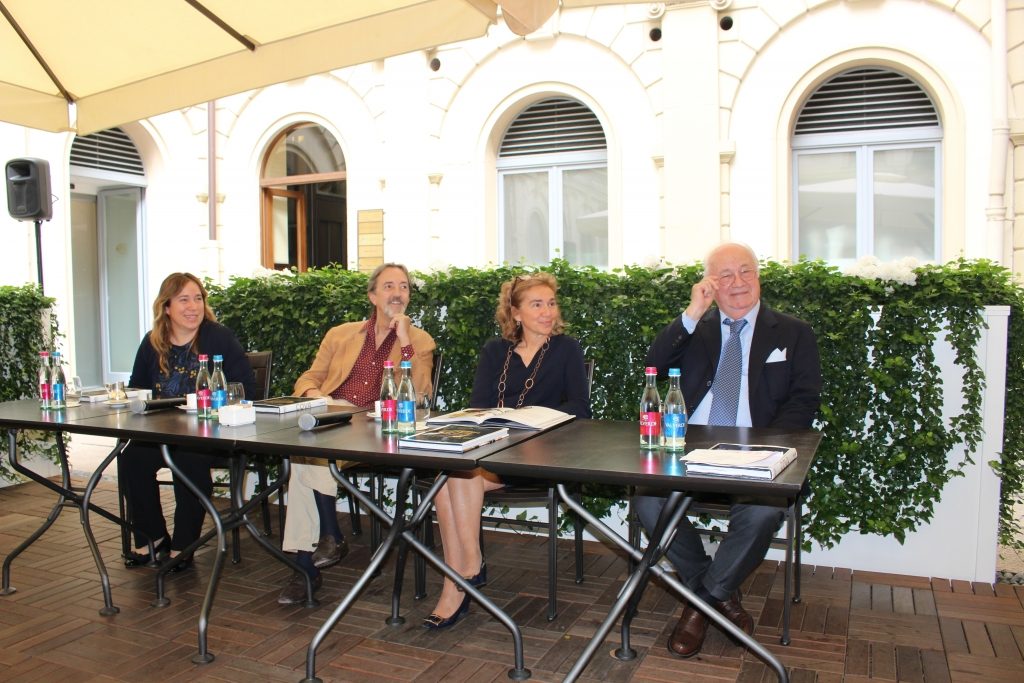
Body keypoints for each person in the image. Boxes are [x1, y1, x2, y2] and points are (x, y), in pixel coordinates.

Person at [637, 242, 821, 658]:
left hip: (757, 450)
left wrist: (767, 450)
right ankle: (718, 595)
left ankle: (698, 605)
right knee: (648, 501)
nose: (737, 283)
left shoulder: (792, 332)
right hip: (690, 446)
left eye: (746, 272)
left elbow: (804, 400)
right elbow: (655, 366)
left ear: (758, 277)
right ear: (709, 285)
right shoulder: (696, 328)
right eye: (725, 276)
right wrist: (692, 312)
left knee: (762, 512)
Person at [423, 272, 591, 629]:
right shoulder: (494, 351)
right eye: (536, 304)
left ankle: (463, 576)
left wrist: (537, 418)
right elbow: (478, 406)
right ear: (515, 313)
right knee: (450, 475)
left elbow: (581, 408)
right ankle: (463, 572)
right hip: (495, 449)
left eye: (551, 303)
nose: (547, 312)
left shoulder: (566, 349)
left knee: (457, 475)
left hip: (541, 452)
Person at [277, 263, 436, 604]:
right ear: (372, 295)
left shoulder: (420, 340)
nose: (398, 293)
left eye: (405, 287)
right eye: (389, 286)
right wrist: (314, 397)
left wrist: (405, 340)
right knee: (307, 449)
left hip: (376, 426)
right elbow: (309, 377)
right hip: (332, 414)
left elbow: (420, 394)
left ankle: (308, 562)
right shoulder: (340, 334)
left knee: (306, 456)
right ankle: (326, 539)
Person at [121, 272, 256, 570]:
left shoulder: (218, 337)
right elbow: (137, 388)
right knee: (131, 457)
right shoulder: (152, 342)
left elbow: (246, 389)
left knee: (188, 458)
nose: (193, 306)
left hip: (210, 433)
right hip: (162, 431)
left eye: (198, 298)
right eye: (183, 299)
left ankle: (184, 545)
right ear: (166, 306)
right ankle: (153, 538)